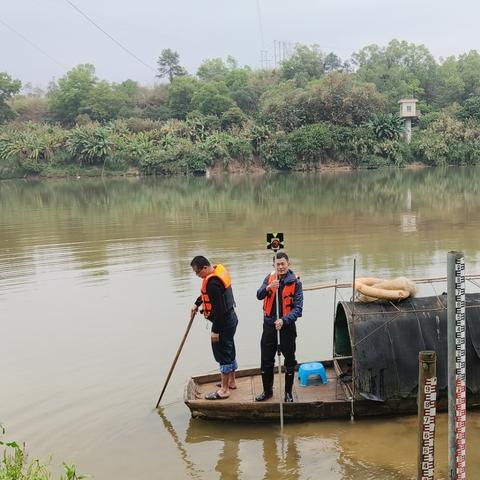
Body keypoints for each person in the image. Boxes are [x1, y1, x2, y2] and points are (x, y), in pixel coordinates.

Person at [255, 252, 303, 403]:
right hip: (269, 327)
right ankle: (267, 391)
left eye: (283, 264)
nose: (280, 267)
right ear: (274, 266)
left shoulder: (296, 283)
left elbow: (298, 309)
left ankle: (288, 393)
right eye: (278, 264)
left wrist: (284, 320)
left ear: (289, 264)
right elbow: (259, 295)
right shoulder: (269, 278)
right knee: (266, 360)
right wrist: (268, 287)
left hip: (287, 327)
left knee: (289, 360)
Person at [191, 256, 238, 400]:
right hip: (231, 319)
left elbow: (218, 310)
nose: (197, 275)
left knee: (222, 353)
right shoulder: (216, 273)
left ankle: (224, 390)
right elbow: (209, 296)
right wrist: (197, 303)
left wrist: (215, 331)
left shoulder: (212, 283)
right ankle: (231, 382)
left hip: (223, 322)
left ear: (205, 268)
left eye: (197, 272)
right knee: (229, 348)